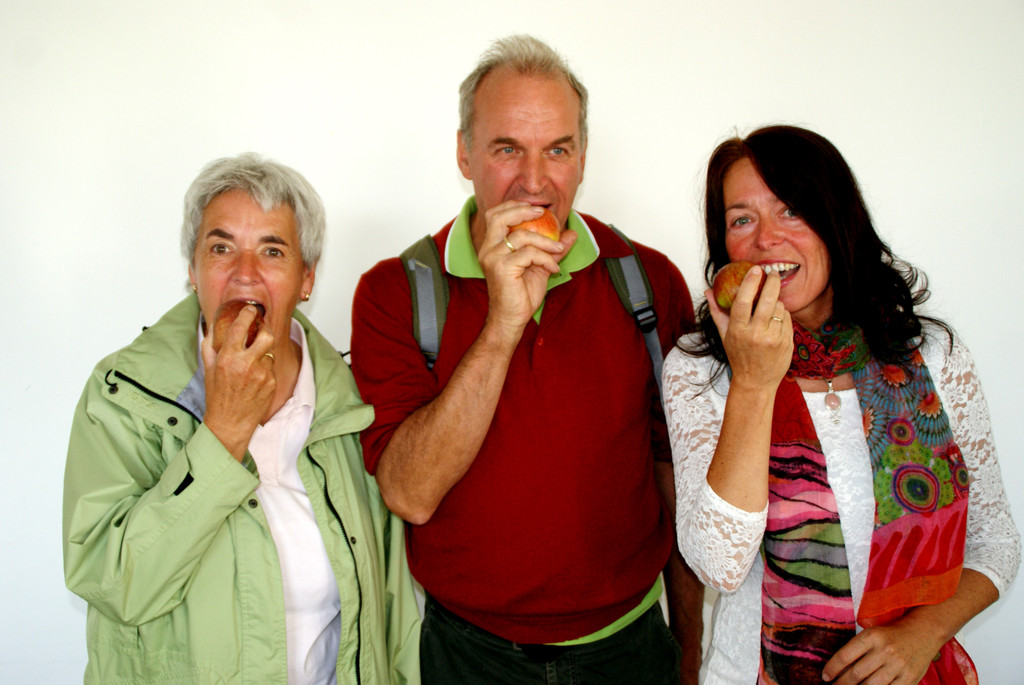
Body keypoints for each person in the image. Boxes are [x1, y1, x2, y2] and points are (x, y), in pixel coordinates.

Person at [350, 35, 703, 684]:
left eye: (558, 150)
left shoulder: (648, 280)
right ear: (465, 153)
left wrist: (691, 654)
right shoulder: (395, 292)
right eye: (507, 148)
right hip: (470, 656)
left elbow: (676, 480)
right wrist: (503, 324)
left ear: (583, 157)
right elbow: (409, 494)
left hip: (629, 649)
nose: (535, 182)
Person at [663, 125, 1021, 684]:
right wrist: (753, 383)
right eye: (741, 220)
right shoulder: (699, 371)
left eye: (791, 210)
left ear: (836, 220)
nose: (766, 239)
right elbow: (718, 567)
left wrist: (924, 633)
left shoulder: (931, 354)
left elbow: (995, 542)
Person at [62, 153, 420, 684]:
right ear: (193, 271)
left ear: (306, 278)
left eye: (272, 251)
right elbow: (115, 585)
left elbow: (395, 615)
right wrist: (224, 431)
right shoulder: (124, 397)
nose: (244, 273)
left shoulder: (352, 405)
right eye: (221, 247)